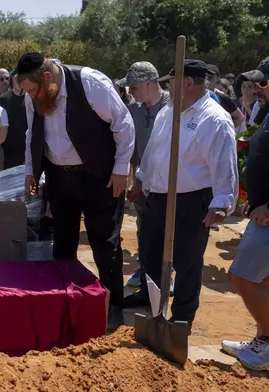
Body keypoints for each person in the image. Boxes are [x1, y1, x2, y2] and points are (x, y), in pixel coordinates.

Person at [17, 52, 135, 330]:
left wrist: (121, 170)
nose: (31, 97)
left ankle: (111, 307)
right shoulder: (32, 95)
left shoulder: (90, 83)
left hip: (99, 176)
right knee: (63, 243)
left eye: (33, 91)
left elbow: (124, 125)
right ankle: (65, 302)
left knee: (105, 244)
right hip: (59, 177)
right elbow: (31, 133)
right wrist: (30, 171)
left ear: (47, 78)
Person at [131, 60, 238, 331]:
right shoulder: (168, 112)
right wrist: (140, 179)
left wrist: (222, 202)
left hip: (191, 201)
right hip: (157, 196)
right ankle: (151, 303)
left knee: (187, 261)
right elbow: (154, 150)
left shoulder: (213, 118)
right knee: (149, 252)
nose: (168, 87)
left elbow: (224, 165)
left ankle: (181, 318)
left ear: (188, 84)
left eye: (172, 83)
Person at [221, 57, 269, 370]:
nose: (256, 89)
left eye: (262, 83)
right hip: (260, 212)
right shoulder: (266, 111)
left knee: (241, 277)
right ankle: (263, 342)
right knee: (264, 282)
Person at [115, 62, 172, 294]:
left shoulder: (173, 106)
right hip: (142, 181)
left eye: (134, 87)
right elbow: (131, 147)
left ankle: (167, 274)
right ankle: (147, 269)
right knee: (144, 226)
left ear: (148, 83)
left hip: (170, 182)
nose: (130, 92)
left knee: (169, 230)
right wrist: (133, 180)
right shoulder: (133, 110)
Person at [0, 69, 27, 169]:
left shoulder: (32, 99)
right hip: (7, 152)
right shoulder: (2, 99)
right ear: (12, 79)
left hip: (27, 151)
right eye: (17, 77)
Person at [206, 64, 245, 128]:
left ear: (218, 78)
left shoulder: (223, 97)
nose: (207, 81)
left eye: (210, 77)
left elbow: (239, 117)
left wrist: (224, 130)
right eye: (205, 77)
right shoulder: (196, 96)